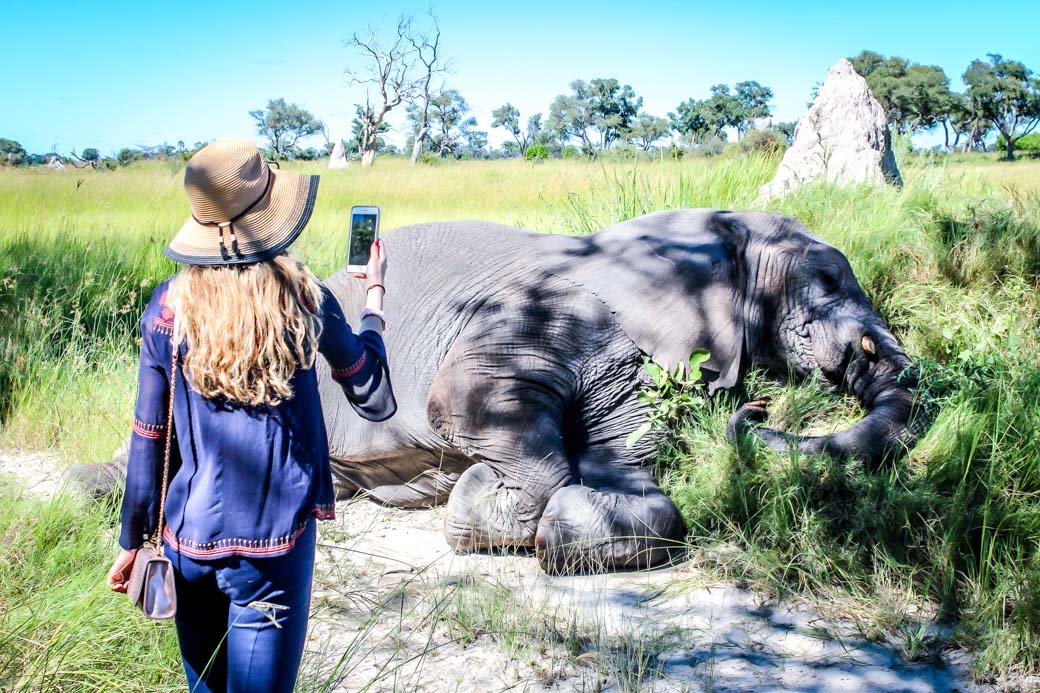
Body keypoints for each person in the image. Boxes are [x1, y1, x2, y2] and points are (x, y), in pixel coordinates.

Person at [105, 138, 395, 692]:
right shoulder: (304, 299)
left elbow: (148, 435)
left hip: (186, 542)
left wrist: (131, 540)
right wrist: (374, 299)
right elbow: (371, 390)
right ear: (268, 216)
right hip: (272, 552)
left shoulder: (167, 307)